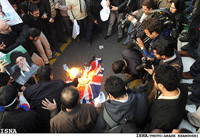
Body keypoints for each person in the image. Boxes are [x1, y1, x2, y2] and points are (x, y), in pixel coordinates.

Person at [23, 66, 80, 132]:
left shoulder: (29, 90)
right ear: (51, 76)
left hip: (41, 124)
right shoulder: (59, 84)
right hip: (58, 121)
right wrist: (76, 77)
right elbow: (73, 84)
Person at [143, 64, 188, 133]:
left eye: (154, 81)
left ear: (161, 86)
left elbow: (151, 126)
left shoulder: (162, 118)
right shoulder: (183, 88)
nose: (154, 82)